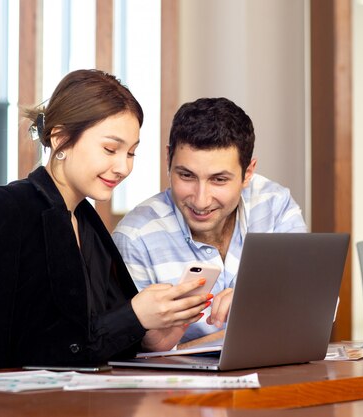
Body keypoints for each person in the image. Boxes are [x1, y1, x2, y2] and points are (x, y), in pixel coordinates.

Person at [0, 69, 212, 372]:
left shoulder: (86, 222)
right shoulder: (7, 208)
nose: (122, 167)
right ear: (60, 138)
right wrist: (133, 316)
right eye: (110, 149)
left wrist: (150, 338)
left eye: (131, 153)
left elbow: (93, 339)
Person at [112, 97, 307, 346]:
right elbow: (136, 350)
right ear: (168, 159)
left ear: (248, 172)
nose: (201, 200)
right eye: (186, 175)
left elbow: (319, 307)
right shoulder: (134, 238)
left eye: (219, 180)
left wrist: (256, 301)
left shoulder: (274, 205)